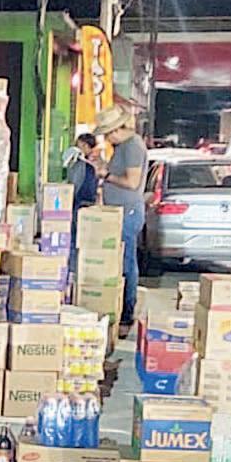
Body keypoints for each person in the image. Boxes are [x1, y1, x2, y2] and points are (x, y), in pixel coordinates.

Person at [92, 105, 146, 332]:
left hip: (128, 212)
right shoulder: (123, 146)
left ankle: (126, 314)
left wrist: (106, 175)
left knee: (126, 263)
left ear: (116, 130)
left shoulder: (132, 146)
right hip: (119, 211)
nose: (107, 139)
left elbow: (132, 182)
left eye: (107, 134)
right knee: (121, 262)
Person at [65, 132, 101, 209]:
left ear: (85, 145)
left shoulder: (84, 165)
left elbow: (74, 184)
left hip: (79, 202)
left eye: (78, 144)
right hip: (88, 204)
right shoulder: (96, 162)